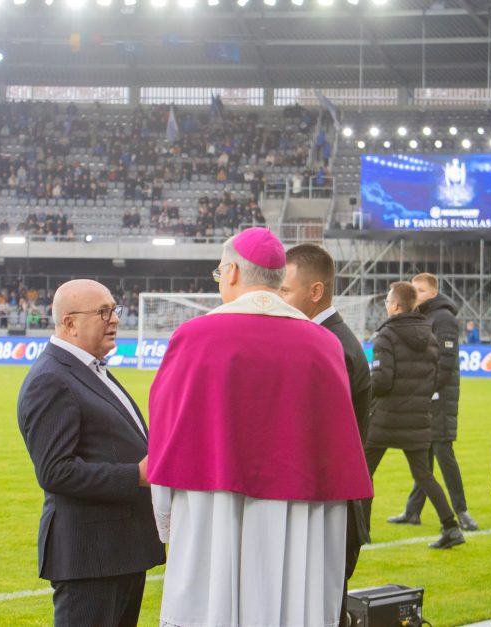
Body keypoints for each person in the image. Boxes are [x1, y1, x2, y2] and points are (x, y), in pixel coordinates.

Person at [147, 228, 372, 627]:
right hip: (300, 514)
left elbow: (167, 434)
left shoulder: (195, 337)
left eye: (219, 274)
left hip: (212, 509)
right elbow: (338, 450)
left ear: (232, 272)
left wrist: (165, 517)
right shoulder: (323, 344)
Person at [16, 280, 164, 627]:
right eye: (103, 312)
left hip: (120, 549)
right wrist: (136, 475)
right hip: (89, 555)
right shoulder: (51, 379)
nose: (114, 319)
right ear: (69, 323)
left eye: (114, 309)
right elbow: (55, 471)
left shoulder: (91, 369)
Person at [280, 242, 372, 627]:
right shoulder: (330, 339)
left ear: (315, 292)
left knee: (323, 611)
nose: (278, 299)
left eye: (285, 290)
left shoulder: (329, 345)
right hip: (334, 504)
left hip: (332, 509)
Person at [364, 281, 465, 550]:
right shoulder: (428, 335)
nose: (386, 304)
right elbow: (434, 376)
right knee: (424, 475)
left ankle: (361, 530)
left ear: (396, 305)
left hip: (386, 417)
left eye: (387, 300)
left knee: (364, 472)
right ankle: (451, 527)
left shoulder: (385, 336)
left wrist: (365, 390)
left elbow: (383, 381)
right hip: (418, 416)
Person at [389, 273, 477, 532]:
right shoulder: (424, 317)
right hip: (427, 394)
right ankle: (413, 511)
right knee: (423, 454)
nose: (415, 294)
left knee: (442, 451)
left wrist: (426, 389)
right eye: (413, 289)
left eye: (420, 290)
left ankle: (462, 512)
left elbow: (445, 364)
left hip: (440, 396)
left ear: (433, 293)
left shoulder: (444, 318)